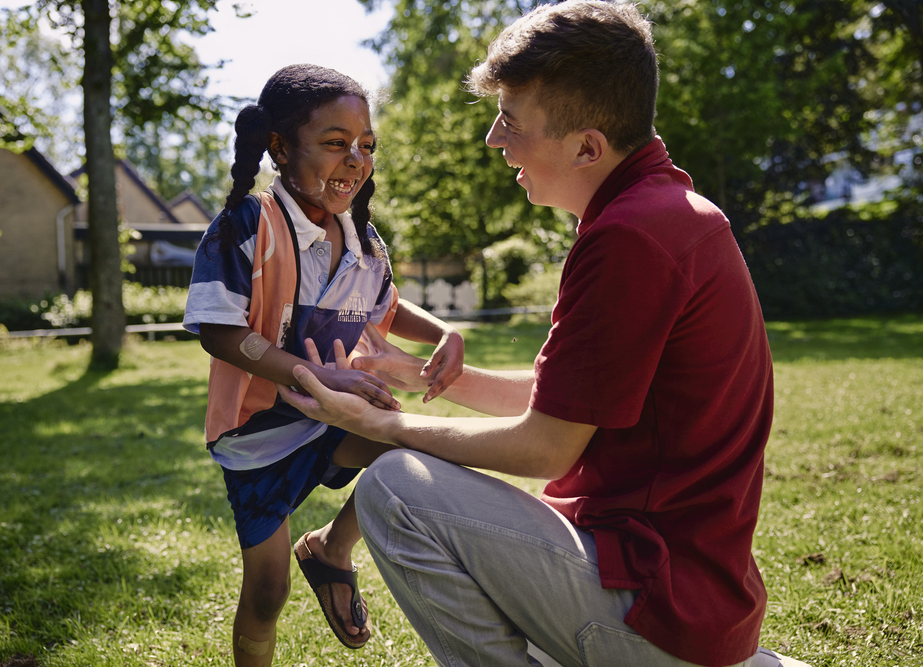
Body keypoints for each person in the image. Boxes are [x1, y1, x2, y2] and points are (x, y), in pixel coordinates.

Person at [276, 3, 811, 667]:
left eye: (511, 121)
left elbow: (547, 446)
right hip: (684, 599)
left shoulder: (629, 237)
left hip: (654, 609)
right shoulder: (664, 214)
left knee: (395, 489)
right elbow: (577, 397)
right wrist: (434, 377)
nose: (494, 140)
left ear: (587, 146)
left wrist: (380, 425)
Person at [183, 63, 464, 667]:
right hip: (257, 439)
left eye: (366, 146)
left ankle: (333, 551)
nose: (356, 160)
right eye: (336, 144)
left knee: (414, 451)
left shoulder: (364, 239)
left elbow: (388, 304)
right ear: (279, 148)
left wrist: (445, 331)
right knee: (267, 593)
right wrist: (312, 376)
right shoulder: (246, 226)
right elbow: (218, 330)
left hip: (332, 418)